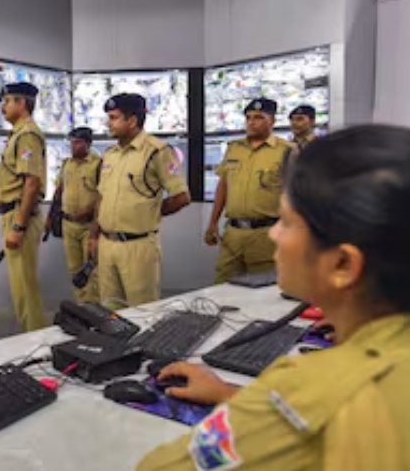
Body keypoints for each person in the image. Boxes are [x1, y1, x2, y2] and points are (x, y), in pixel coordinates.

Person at [137, 125, 410, 471]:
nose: (274, 234)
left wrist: (258, 407)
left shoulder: (314, 389)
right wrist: (232, 396)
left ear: (343, 265)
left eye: (287, 222)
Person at [89, 94, 190, 307]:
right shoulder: (110, 154)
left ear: (132, 121)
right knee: (110, 310)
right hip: (107, 244)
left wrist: (149, 212)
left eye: (114, 118)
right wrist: (94, 235)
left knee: (142, 311)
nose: (108, 123)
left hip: (138, 246)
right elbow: (101, 197)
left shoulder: (157, 152)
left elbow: (181, 197)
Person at [205, 98, 292, 284]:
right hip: (234, 234)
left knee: (262, 291)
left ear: (272, 120)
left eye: (259, 117)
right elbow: (223, 186)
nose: (252, 122)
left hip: (266, 235)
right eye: (248, 118)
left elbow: (297, 194)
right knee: (222, 287)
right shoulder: (234, 149)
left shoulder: (286, 151)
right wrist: (213, 223)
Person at [0, 82, 46, 332]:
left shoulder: (27, 135)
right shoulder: (18, 133)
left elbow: (32, 183)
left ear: (22, 103)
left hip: (19, 215)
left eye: (7, 101)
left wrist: (18, 226)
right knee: (21, 287)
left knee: (25, 288)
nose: (2, 106)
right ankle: (32, 335)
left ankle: (36, 341)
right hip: (13, 214)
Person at [50, 127, 102, 303]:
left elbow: (104, 195)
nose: (73, 146)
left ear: (88, 143)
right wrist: (51, 217)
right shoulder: (67, 164)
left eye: (78, 142)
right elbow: (59, 190)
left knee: (91, 271)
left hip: (89, 225)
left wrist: (90, 213)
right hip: (68, 224)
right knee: (75, 270)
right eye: (72, 142)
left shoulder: (98, 164)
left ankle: (94, 307)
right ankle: (82, 306)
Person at [284, 104, 318, 177]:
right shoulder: (286, 146)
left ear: (312, 121)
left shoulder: (320, 146)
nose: (294, 123)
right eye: (292, 120)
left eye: (300, 119)